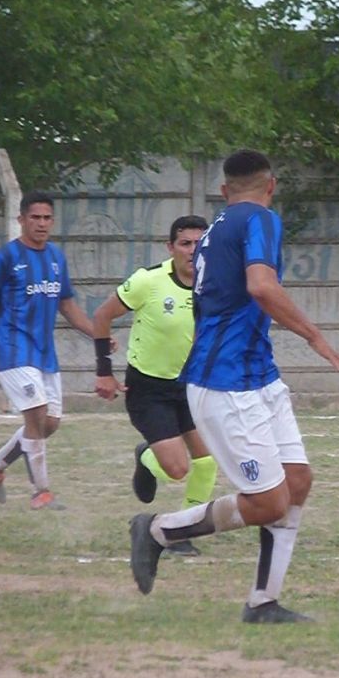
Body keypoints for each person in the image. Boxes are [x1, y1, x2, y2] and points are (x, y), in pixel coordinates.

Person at [127, 149, 339, 623]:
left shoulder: (215, 228)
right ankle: (159, 531)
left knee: (297, 482)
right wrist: (316, 338)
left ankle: (263, 602)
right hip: (225, 381)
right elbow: (261, 287)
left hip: (256, 375)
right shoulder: (261, 220)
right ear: (271, 185)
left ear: (224, 190)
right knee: (268, 500)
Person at [0, 190, 101, 510]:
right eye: (34, 217)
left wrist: (98, 335)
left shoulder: (55, 258)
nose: (41, 223)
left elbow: (67, 305)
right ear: (21, 219)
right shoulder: (6, 257)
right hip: (13, 350)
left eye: (47, 217)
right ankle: (41, 492)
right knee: (35, 415)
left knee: (48, 424)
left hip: (44, 354)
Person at [92, 215, 217, 556]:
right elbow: (102, 316)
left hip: (191, 387)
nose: (193, 250)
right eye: (185, 243)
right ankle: (146, 456)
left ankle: (182, 530)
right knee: (178, 469)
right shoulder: (149, 281)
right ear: (171, 247)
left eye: (200, 243)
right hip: (148, 389)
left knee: (207, 461)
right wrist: (104, 371)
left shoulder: (217, 283)